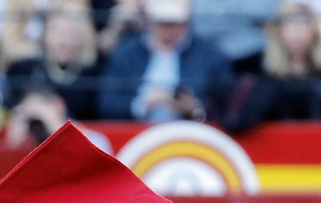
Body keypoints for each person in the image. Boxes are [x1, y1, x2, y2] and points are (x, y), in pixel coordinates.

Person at [98, 0, 234, 119]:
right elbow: (107, 103)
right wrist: (142, 104)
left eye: (173, 23)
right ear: (149, 20)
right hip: (137, 133)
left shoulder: (210, 54)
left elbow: (226, 105)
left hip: (191, 135)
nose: (167, 29)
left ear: (185, 22)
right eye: (162, 22)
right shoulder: (127, 53)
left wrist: (195, 109)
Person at [221, 0, 321, 127]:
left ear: (315, 31)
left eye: (304, 23)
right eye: (290, 23)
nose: (297, 30)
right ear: (278, 30)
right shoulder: (256, 66)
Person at [4, 7, 102, 118]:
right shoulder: (24, 69)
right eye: (57, 32)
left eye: (71, 33)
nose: (64, 40)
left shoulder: (93, 73)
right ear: (44, 35)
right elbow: (8, 110)